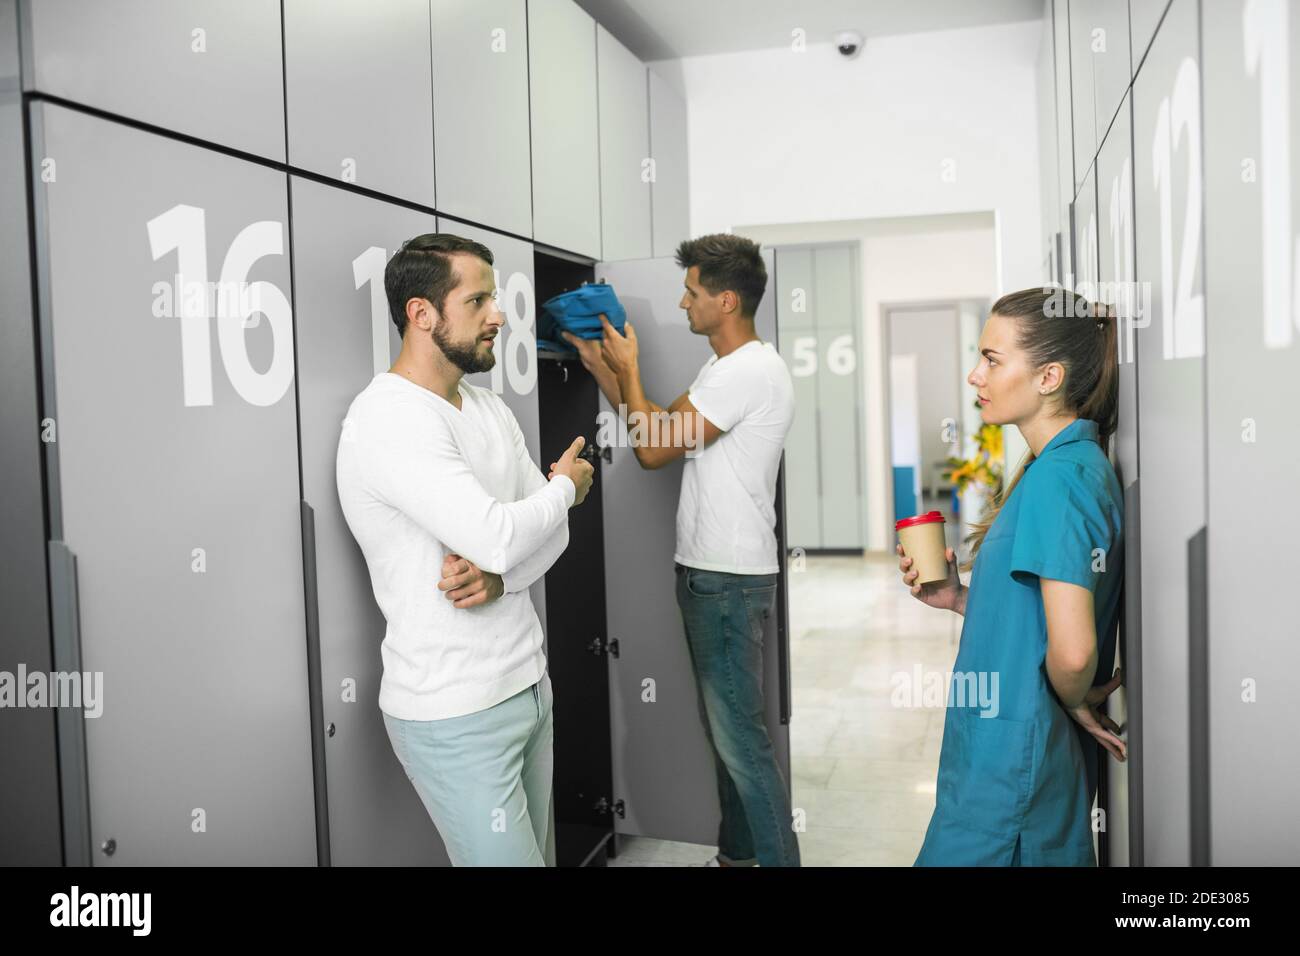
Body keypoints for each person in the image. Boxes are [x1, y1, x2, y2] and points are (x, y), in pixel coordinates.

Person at [336, 233, 594, 866]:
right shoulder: (390, 419)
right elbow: (501, 534)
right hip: (456, 713)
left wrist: (504, 580)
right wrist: (566, 489)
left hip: (529, 687)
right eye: (477, 301)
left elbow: (542, 539)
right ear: (421, 314)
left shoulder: (486, 408)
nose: (499, 316)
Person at [563, 233, 800, 867]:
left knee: (741, 744)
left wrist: (631, 367)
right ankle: (738, 856)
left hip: (723, 579)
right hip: (717, 576)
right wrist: (603, 370)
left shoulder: (745, 371)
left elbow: (649, 451)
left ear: (727, 300)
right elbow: (661, 428)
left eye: (692, 292)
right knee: (731, 740)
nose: (681, 302)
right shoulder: (730, 370)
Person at [899, 287, 1125, 866]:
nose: (976, 375)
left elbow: (1072, 654)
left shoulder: (1060, 480)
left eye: (992, 360)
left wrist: (1076, 701)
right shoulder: (1058, 468)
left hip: (1011, 770)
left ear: (1048, 377)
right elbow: (1036, 619)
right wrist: (957, 599)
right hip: (1002, 759)